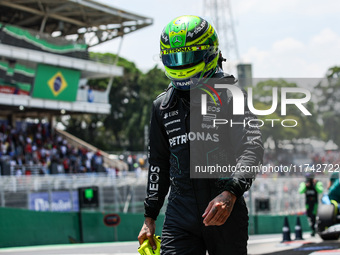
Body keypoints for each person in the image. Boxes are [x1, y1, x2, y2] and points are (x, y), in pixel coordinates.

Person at [138, 15, 264, 255]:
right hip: (180, 213)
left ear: (209, 53)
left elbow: (252, 148)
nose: (181, 64)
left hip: (225, 209)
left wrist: (230, 193)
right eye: (174, 57)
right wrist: (149, 217)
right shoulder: (161, 107)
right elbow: (158, 164)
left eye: (187, 56)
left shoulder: (230, 95)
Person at [298, 171, 324, 236]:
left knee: (313, 216)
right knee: (309, 216)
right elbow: (300, 191)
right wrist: (305, 186)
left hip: (314, 202)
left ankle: (315, 229)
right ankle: (313, 228)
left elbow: (320, 190)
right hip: (308, 203)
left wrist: (315, 185)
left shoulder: (317, 183)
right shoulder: (304, 183)